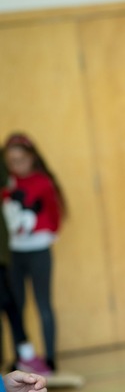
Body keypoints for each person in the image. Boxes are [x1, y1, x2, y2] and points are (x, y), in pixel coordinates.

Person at [1, 133, 65, 375]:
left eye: (20, 160)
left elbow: (54, 212)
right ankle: (22, 358)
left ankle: (49, 358)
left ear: (31, 158)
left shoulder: (42, 182)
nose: (16, 165)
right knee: (17, 305)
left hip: (38, 250)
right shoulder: (8, 184)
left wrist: (49, 233)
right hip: (16, 254)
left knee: (43, 304)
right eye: (11, 161)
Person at [0, 148, 42, 374]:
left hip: (6, 255)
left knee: (10, 304)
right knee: (9, 304)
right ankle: (24, 355)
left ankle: (25, 356)